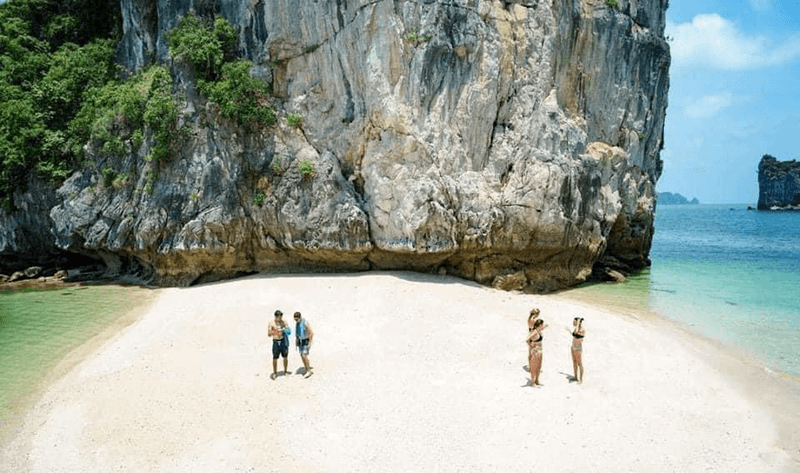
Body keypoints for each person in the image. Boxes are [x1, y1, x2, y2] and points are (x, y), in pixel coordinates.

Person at [268, 310, 291, 379]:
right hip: (276, 341)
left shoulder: (284, 321)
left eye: (281, 317)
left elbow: (288, 330)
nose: (280, 318)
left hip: (283, 340)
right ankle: (275, 372)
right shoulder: (271, 323)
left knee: (285, 356)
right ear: (275, 316)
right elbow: (269, 334)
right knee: (275, 357)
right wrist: (274, 332)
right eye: (279, 317)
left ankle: (285, 371)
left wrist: (283, 329)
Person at [526, 317, 547, 386]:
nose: (542, 326)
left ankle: (537, 380)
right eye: (542, 325)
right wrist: (531, 345)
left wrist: (545, 326)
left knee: (539, 366)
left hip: (540, 350)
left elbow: (544, 327)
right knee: (533, 367)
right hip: (535, 350)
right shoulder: (534, 332)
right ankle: (533, 382)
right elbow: (527, 339)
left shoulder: (539, 331)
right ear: (539, 325)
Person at [294, 311, 314, 377]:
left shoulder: (305, 322)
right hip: (300, 341)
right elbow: (297, 332)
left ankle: (309, 370)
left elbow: (310, 332)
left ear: (299, 317)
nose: (295, 321)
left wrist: (310, 342)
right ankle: (306, 368)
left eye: (296, 319)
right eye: (295, 319)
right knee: (301, 355)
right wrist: (296, 340)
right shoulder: (297, 323)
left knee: (304, 355)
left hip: (305, 340)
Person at [570, 317, 585, 383]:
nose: (573, 323)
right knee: (574, 362)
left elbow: (576, 334)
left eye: (574, 322)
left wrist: (578, 322)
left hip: (578, 348)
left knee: (580, 363)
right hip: (573, 347)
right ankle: (575, 377)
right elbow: (574, 334)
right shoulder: (576, 329)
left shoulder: (582, 329)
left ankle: (581, 379)